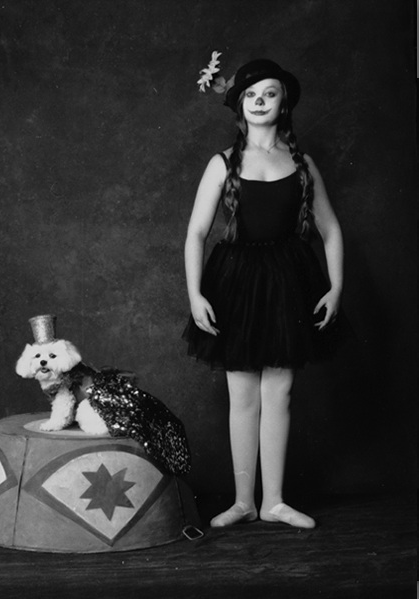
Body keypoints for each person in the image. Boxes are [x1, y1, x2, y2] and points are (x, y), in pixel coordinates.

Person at [183, 59, 345, 529]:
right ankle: (243, 502)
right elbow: (196, 233)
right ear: (239, 105)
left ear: (283, 103)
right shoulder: (222, 163)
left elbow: (331, 230)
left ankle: (273, 501)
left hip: (289, 281)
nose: (259, 101)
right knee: (243, 395)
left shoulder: (302, 163)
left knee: (281, 390)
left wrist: (336, 286)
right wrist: (195, 294)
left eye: (269, 94)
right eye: (251, 95)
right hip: (236, 283)